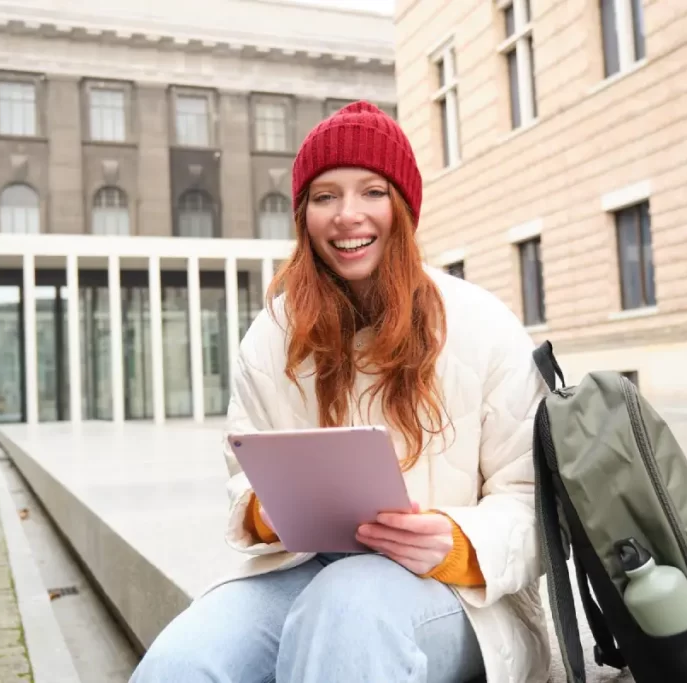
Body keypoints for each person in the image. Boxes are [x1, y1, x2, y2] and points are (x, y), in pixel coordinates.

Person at [129, 101, 552, 683]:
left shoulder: (482, 324)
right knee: (182, 662)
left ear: (402, 207)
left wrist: (457, 542)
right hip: (306, 569)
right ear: (304, 215)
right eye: (325, 196)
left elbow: (534, 503)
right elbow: (242, 471)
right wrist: (263, 510)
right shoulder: (273, 335)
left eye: (371, 192)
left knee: (349, 611)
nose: (347, 215)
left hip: (457, 596)